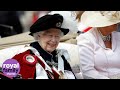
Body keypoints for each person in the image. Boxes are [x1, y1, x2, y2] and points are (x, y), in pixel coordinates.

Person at [0, 13, 76, 79]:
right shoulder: (24, 57)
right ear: (38, 36)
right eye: (50, 35)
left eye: (57, 36)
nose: (54, 40)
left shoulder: (60, 57)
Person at [76, 11, 120, 79]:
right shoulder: (86, 39)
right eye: (113, 22)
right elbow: (87, 71)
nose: (117, 24)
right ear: (104, 24)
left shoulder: (118, 36)